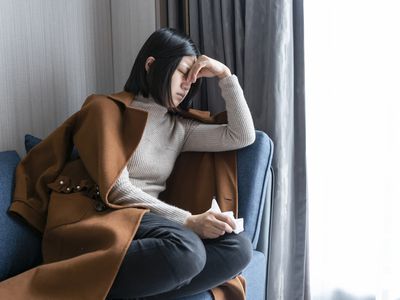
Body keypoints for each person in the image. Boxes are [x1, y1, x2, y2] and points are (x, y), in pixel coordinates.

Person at [105, 28, 256, 299]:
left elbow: (242, 135)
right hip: (114, 219)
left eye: (192, 77)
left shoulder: (179, 129)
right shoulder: (107, 111)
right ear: (151, 65)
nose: (188, 84)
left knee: (239, 248)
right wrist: (188, 221)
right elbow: (116, 189)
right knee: (187, 249)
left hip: (153, 226)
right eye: (182, 72)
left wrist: (224, 75)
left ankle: (132, 290)